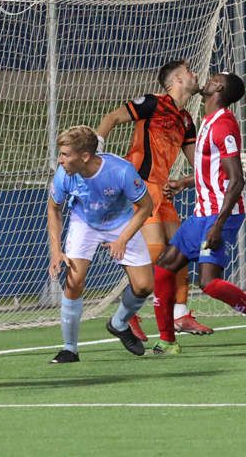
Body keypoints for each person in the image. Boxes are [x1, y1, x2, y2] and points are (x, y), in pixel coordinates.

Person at [152, 72, 246, 355]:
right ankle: (167, 341)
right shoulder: (207, 121)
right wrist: (184, 183)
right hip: (201, 213)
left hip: (219, 215)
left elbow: (236, 179)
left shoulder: (223, 125)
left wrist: (218, 226)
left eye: (213, 78)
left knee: (208, 283)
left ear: (218, 87)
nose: (207, 79)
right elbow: (212, 169)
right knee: (164, 267)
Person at [95, 59, 213, 340]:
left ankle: (180, 315)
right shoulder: (151, 103)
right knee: (153, 254)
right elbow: (111, 118)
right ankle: (128, 314)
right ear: (176, 80)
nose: (195, 74)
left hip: (163, 189)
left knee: (181, 252)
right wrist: (96, 157)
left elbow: (196, 162)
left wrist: (215, 168)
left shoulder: (185, 119)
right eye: (189, 71)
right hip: (139, 187)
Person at [47, 125, 154, 363]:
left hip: (120, 222)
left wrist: (123, 239)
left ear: (84, 156)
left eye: (65, 154)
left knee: (145, 286)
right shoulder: (64, 174)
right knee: (74, 281)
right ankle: (69, 349)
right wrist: (56, 251)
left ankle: (118, 324)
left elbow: (147, 206)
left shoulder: (121, 171)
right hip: (84, 222)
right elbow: (53, 209)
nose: (60, 159)